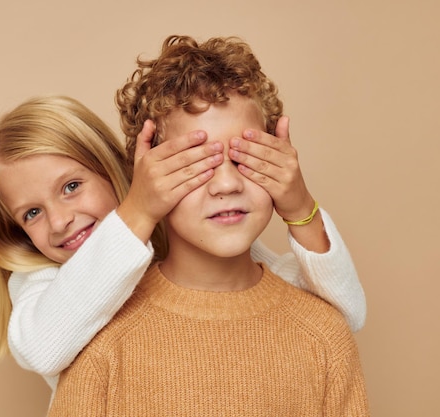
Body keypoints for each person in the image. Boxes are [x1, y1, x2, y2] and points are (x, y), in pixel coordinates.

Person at [46, 35, 369, 416]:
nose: (228, 184)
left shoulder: (324, 335)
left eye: (247, 157)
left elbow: (350, 305)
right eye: (196, 165)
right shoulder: (101, 341)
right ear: (149, 178)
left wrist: (300, 206)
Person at [0, 92, 365, 394]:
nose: (59, 221)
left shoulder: (184, 239)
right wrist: (139, 212)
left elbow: (340, 313)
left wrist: (299, 206)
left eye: (72, 187)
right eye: (31, 214)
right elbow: (43, 348)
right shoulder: (41, 283)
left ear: (117, 169)